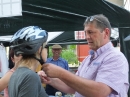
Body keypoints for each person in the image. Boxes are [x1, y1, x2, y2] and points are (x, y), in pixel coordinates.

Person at [39, 14, 129, 97]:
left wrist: (61, 73)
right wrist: (50, 80)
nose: (86, 37)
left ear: (106, 32)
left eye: (90, 32)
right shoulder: (88, 59)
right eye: (85, 32)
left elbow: (100, 91)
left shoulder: (115, 57)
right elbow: (75, 87)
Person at [8, 26, 48, 97]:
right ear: (39, 49)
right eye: (45, 47)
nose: (46, 51)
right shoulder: (30, 76)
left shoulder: (16, 74)